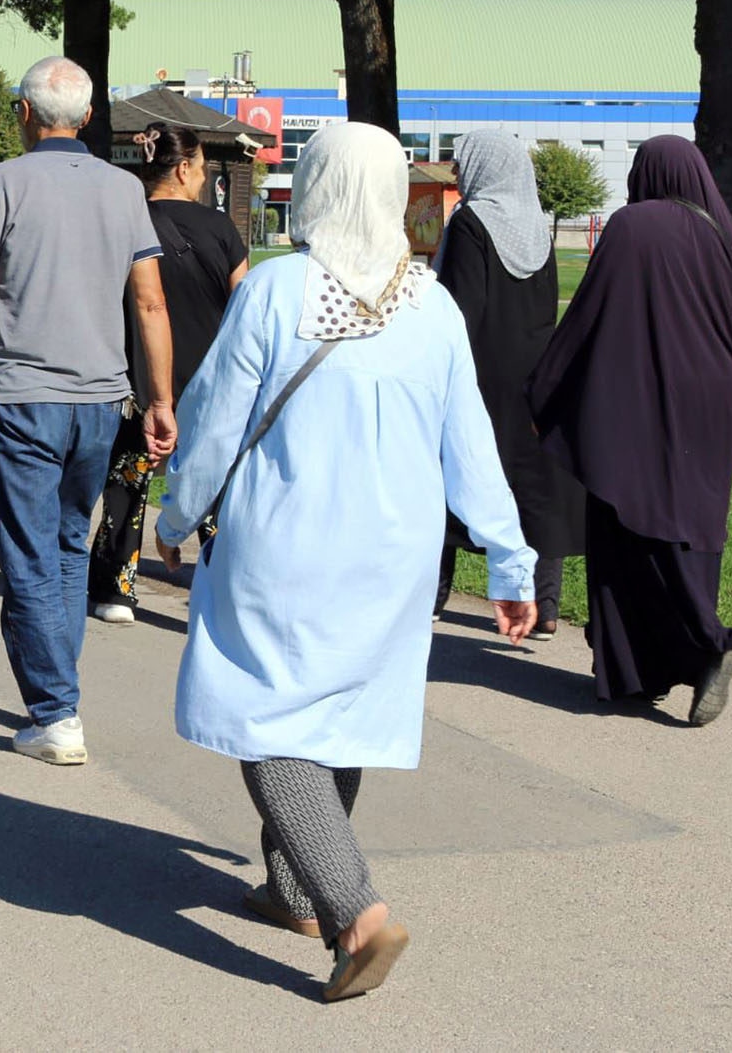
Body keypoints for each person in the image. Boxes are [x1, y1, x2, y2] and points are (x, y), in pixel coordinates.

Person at [152, 121, 536, 1003]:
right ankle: (293, 889)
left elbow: (212, 425)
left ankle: (356, 913)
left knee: (264, 714)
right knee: (341, 709)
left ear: (316, 186)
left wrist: (174, 514)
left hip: (285, 543)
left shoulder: (277, 288)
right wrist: (510, 566)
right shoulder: (433, 305)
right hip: (395, 556)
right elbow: (471, 448)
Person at [0, 55, 176, 765]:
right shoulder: (125, 188)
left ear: (23, 113)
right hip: (100, 396)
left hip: (26, 393)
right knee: (65, 544)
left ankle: (56, 710)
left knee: (31, 551)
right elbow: (150, 301)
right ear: (89, 117)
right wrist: (160, 398)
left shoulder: (5, 181)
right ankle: (59, 693)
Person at [527, 135, 732, 725]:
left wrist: (543, 388)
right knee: (690, 531)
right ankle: (658, 668)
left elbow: (587, 316)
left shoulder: (630, 226)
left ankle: (702, 649)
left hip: (636, 405)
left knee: (625, 531)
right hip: (713, 409)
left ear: (645, 174)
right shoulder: (725, 236)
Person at [86, 122, 249, 624]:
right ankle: (220, 588)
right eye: (199, 169)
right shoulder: (219, 228)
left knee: (128, 477)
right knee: (215, 481)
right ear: (182, 169)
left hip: (139, 373)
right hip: (210, 380)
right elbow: (245, 303)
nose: (202, 180)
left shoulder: (123, 224)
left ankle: (116, 588)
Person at [430, 131, 585, 638]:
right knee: (535, 486)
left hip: (481, 371)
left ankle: (432, 594)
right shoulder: (537, 227)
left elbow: (460, 307)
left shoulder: (472, 222)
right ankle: (546, 606)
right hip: (536, 374)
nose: (455, 173)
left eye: (460, 163)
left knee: (450, 473)